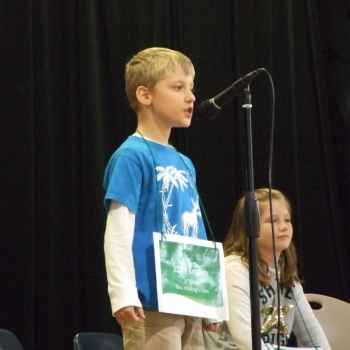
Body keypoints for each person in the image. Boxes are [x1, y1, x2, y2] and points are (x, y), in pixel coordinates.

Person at [103, 47, 220, 350]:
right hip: (151, 305)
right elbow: (118, 231)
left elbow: (194, 231)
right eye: (178, 87)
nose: (191, 97)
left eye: (191, 88)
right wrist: (123, 293)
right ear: (145, 95)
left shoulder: (185, 163)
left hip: (189, 300)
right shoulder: (132, 155)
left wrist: (209, 300)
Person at [203, 188, 331, 350]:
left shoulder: (286, 275)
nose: (284, 227)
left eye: (287, 220)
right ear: (249, 227)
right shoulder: (234, 270)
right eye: (273, 221)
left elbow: (314, 336)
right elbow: (248, 343)